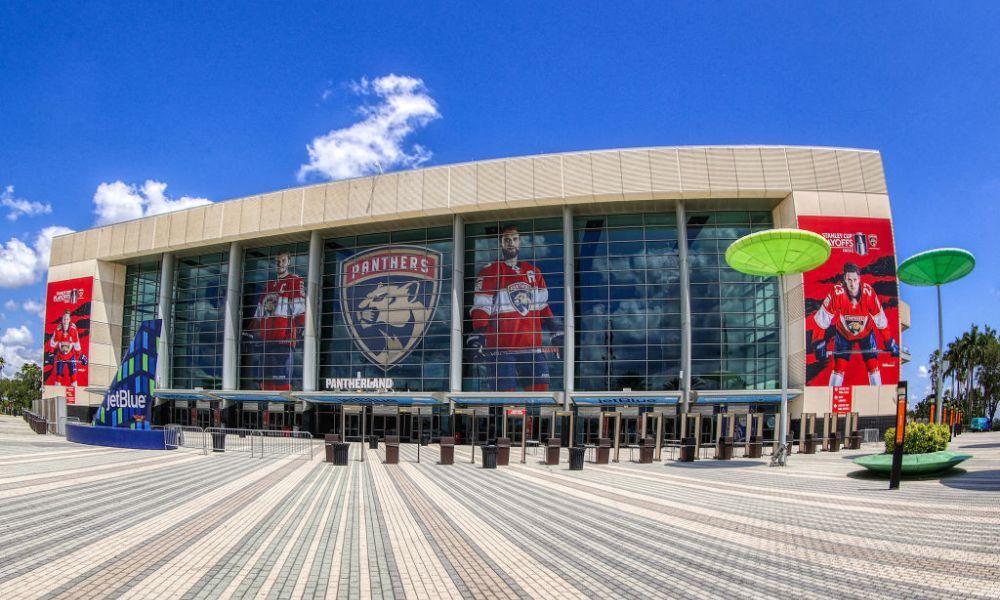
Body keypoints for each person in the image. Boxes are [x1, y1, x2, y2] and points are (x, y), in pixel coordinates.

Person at [467, 225, 562, 391]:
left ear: (520, 242)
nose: (511, 243)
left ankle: (531, 419)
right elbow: (482, 306)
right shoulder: (491, 270)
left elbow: (542, 306)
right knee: (505, 398)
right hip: (501, 349)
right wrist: (478, 334)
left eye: (515, 239)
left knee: (540, 392)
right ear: (501, 243)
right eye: (507, 239)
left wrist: (555, 330)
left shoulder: (534, 272)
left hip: (532, 348)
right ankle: (504, 418)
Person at [812, 262, 899, 386]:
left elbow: (881, 320)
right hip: (844, 334)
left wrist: (889, 340)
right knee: (839, 366)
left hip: (866, 333)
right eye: (849, 280)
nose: (852, 284)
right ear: (844, 280)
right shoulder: (837, 293)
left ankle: (877, 396)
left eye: (854, 280)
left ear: (859, 279)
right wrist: (818, 341)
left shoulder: (868, 294)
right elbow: (822, 318)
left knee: (872, 363)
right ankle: (831, 397)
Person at [248, 251, 305, 390]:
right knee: (265, 379)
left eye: (283, 260)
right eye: (277, 261)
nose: (280, 263)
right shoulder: (268, 286)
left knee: (281, 379)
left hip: (283, 341)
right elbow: (259, 312)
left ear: (289, 262)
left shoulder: (294, 280)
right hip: (266, 341)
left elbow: (299, 307)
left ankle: (282, 409)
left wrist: (302, 327)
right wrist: (250, 332)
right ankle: (267, 408)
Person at [49, 310, 81, 386]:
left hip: (70, 355)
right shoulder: (58, 329)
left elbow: (77, 342)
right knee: (59, 374)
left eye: (67, 319)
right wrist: (51, 352)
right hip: (60, 356)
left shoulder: (73, 329)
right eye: (64, 319)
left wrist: (78, 354)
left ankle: (75, 391)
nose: (65, 321)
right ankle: (56, 391)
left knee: (73, 375)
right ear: (62, 319)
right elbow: (53, 342)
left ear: (69, 319)